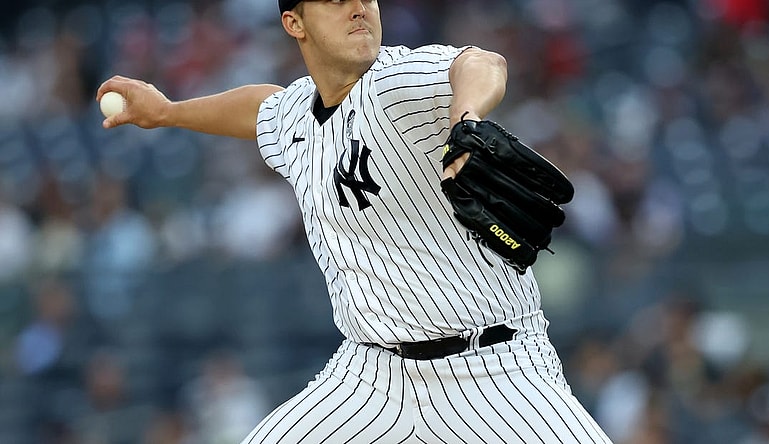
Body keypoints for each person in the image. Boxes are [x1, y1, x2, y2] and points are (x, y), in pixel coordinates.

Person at [97, 0, 613, 442]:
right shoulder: (298, 116)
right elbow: (260, 108)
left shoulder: (396, 85)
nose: (358, 6)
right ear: (295, 23)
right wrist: (167, 111)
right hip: (370, 377)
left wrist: (465, 119)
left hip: (492, 371)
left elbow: (481, 62)